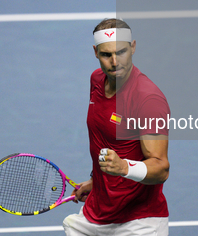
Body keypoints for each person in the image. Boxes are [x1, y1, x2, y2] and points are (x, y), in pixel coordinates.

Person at [62, 18, 171, 236]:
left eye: (121, 52)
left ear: (133, 47)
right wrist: (97, 181)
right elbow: (105, 138)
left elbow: (161, 168)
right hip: (96, 215)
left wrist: (123, 168)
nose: (114, 62)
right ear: (95, 52)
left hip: (138, 222)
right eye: (106, 54)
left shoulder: (148, 100)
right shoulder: (96, 80)